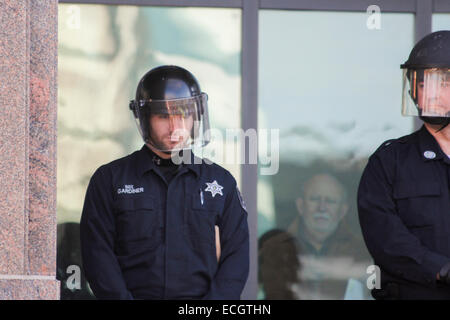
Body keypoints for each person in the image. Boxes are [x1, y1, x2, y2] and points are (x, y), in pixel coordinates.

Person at [80, 65, 249, 300]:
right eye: (163, 116)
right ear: (144, 118)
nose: (174, 127)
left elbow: (236, 260)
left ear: (195, 116)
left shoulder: (220, 183)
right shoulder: (109, 180)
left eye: (183, 115)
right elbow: (97, 256)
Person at [358, 30, 450, 299]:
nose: (431, 94)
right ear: (412, 90)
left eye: (443, 83)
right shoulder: (389, 162)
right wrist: (440, 269)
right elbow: (385, 239)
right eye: (423, 84)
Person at [288, 173, 372, 299]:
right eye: (315, 199)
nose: (322, 208)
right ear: (300, 206)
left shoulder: (362, 252)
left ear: (343, 210)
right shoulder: (277, 248)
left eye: (330, 201)